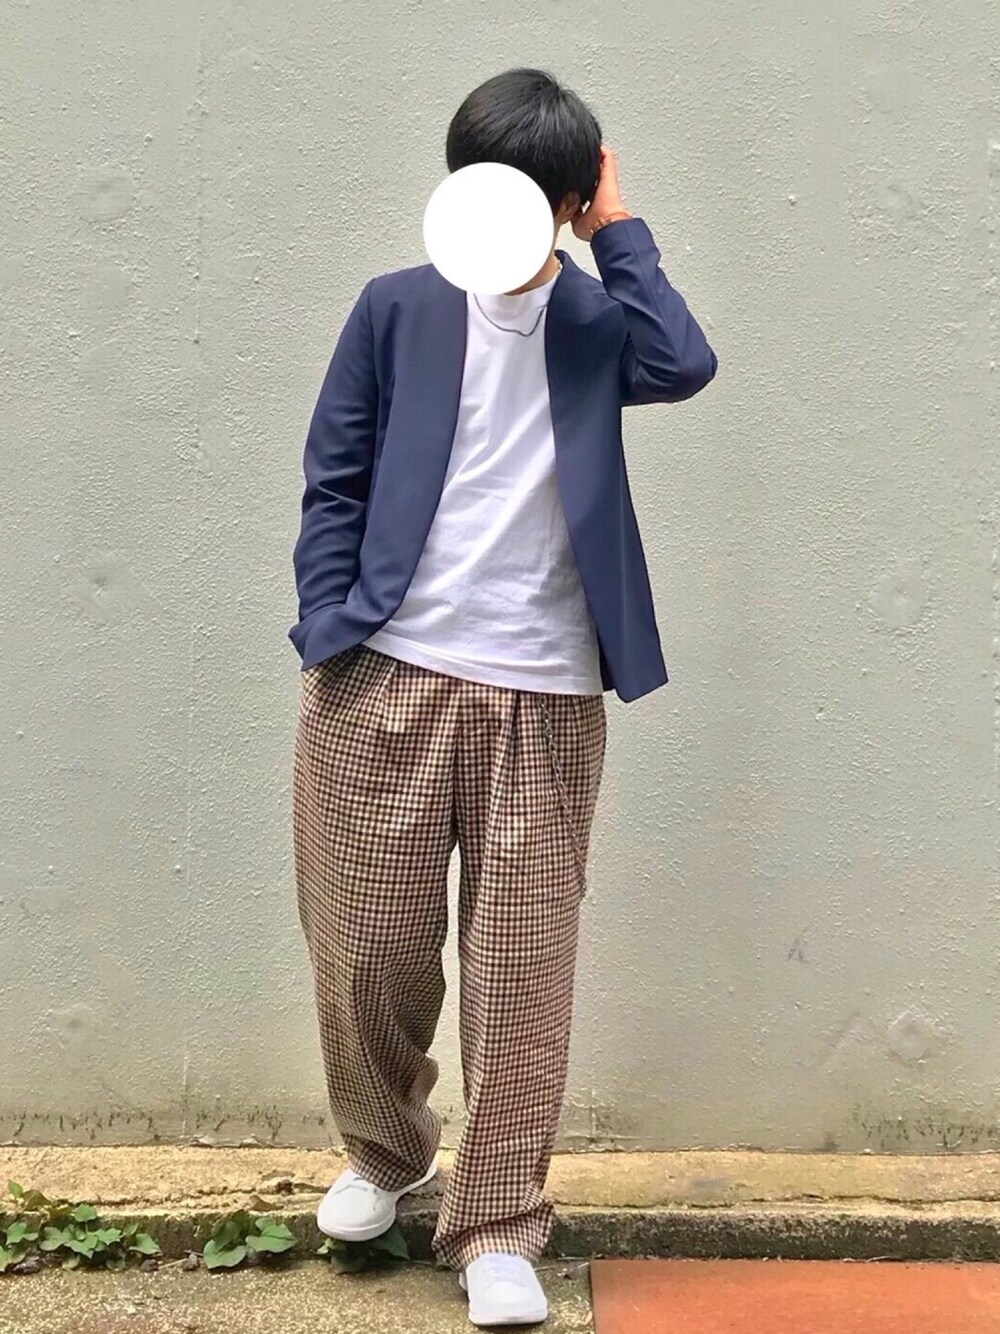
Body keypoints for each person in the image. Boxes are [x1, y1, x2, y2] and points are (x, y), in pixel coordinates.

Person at [289, 66, 717, 1327]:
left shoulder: (596, 320)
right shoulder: (397, 306)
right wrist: (327, 627)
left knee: (522, 968)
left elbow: (684, 361)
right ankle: (387, 1151)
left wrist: (617, 229)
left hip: (542, 688)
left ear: (570, 202)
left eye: (536, 193)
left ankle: (497, 1222)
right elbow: (334, 473)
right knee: (366, 950)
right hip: (385, 673)